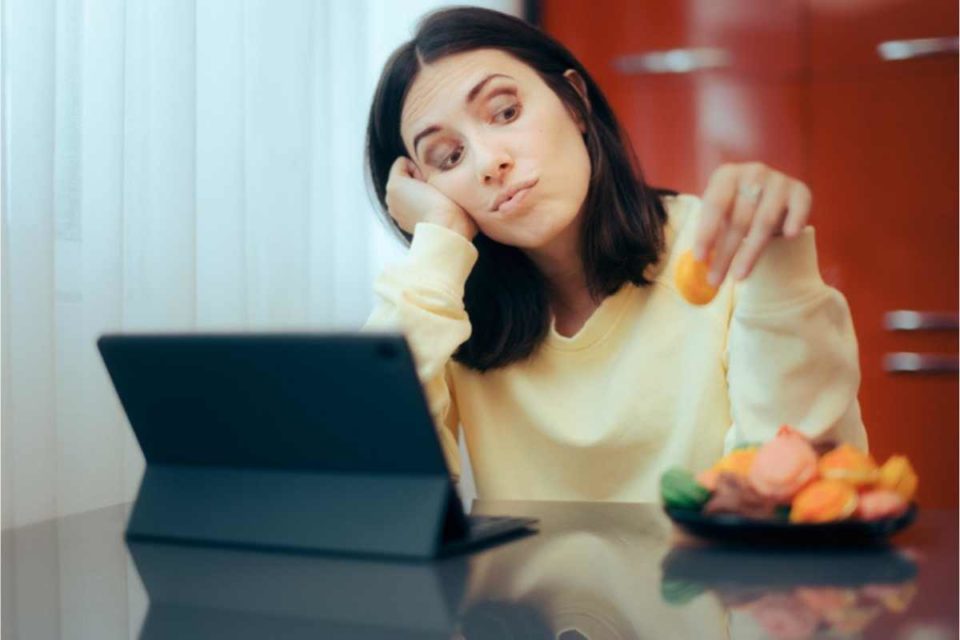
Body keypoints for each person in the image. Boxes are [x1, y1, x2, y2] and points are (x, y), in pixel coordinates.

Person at [362, 7, 867, 502]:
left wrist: (777, 269)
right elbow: (366, 487)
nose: (489, 163)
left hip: (719, 585)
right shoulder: (446, 312)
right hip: (521, 590)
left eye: (506, 112)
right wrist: (438, 242)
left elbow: (796, 487)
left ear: (575, 103)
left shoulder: (721, 247)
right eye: (449, 158)